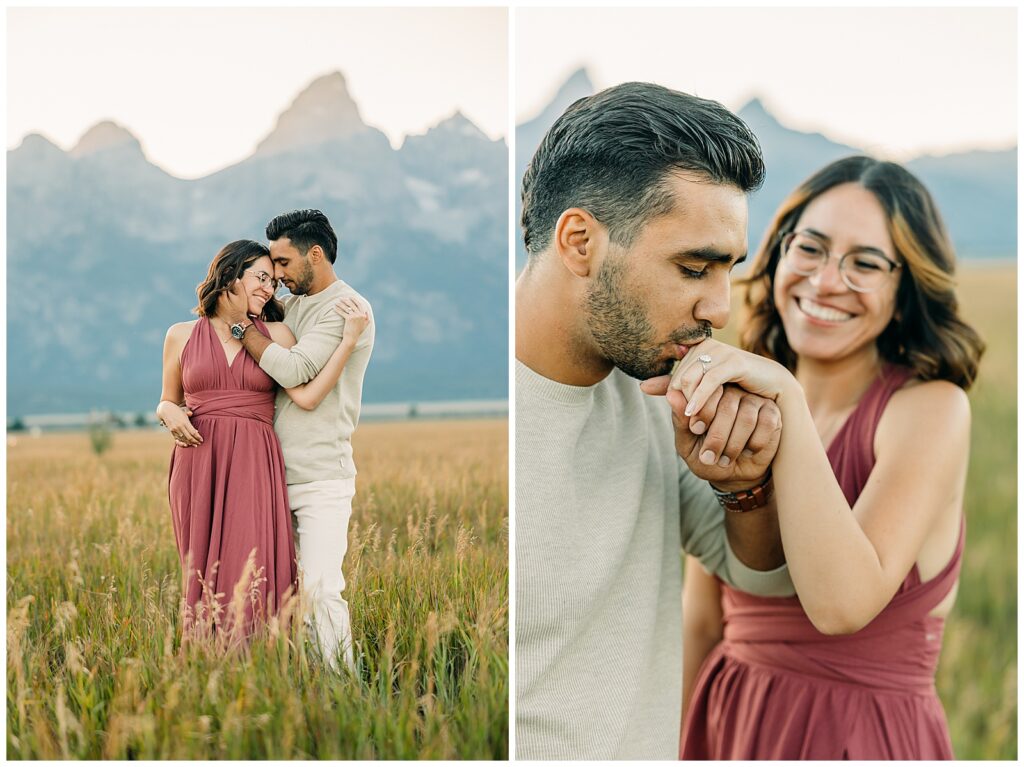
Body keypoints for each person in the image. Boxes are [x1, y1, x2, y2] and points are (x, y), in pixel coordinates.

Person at [656, 157, 984, 759]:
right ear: (779, 254)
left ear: (905, 287)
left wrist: (787, 399)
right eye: (810, 248)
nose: (828, 281)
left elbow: (840, 606)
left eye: (865, 263)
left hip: (859, 736)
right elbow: (704, 619)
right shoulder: (740, 401)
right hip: (730, 722)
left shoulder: (930, 410)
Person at [515, 82, 794, 760]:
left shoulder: (659, 395)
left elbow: (758, 575)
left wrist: (745, 482)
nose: (720, 309)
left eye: (727, 269)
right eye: (693, 267)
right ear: (579, 241)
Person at [157, 239, 370, 643]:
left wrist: (347, 341)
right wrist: (164, 411)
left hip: (254, 461)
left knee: (251, 567)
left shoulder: (277, 335)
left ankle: (261, 665)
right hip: (197, 463)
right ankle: (207, 667)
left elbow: (306, 394)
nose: (269, 289)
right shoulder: (180, 335)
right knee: (201, 572)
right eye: (261, 278)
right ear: (230, 275)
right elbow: (170, 398)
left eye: (274, 282)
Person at [218, 209, 374, 671]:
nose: (277, 275)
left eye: (283, 264)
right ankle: (301, 682)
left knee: (322, 587)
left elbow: (293, 370)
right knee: (279, 590)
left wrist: (242, 330)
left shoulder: (348, 309)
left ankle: (344, 687)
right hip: (269, 473)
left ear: (316, 254)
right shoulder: (293, 306)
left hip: (321, 473)